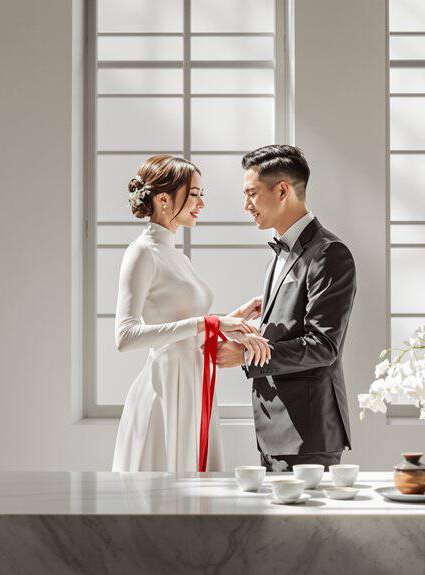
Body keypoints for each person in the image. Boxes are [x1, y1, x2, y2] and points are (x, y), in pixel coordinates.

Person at [111, 155, 270, 472]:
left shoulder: (176, 255)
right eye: (194, 194)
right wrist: (210, 322)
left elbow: (186, 325)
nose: (201, 203)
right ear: (163, 199)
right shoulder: (142, 252)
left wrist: (239, 314)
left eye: (201, 194)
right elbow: (125, 336)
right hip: (167, 383)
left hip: (193, 378)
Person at [216, 145, 357, 472]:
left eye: (251, 194)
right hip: (276, 432)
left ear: (282, 191)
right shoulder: (279, 256)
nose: (246, 205)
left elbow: (323, 346)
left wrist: (248, 355)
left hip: (307, 435)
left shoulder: (329, 253)